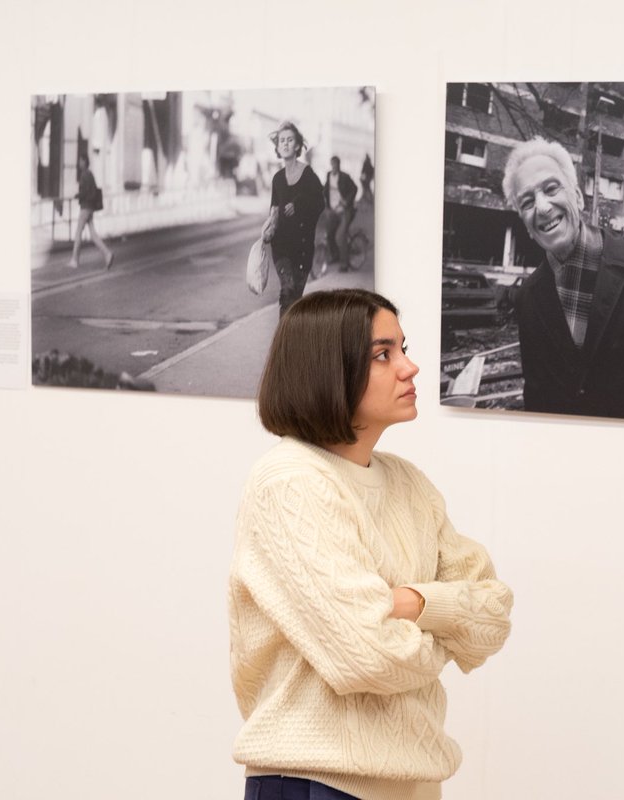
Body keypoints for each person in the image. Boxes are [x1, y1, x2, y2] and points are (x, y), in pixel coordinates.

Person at [229, 289, 513, 800]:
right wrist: (446, 629)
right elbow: (366, 655)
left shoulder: (409, 484)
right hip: (317, 782)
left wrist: (415, 603)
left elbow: (493, 614)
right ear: (326, 369)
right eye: (383, 355)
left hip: (415, 781)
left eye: (403, 348)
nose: (410, 368)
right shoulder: (290, 482)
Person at [502, 137, 624, 421]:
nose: (542, 207)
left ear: (578, 197)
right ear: (526, 225)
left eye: (551, 188)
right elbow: (536, 400)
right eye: (527, 202)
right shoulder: (528, 298)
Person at [265, 121, 325, 316]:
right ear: (277, 146)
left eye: (289, 140)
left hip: (302, 247)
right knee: (287, 290)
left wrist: (299, 207)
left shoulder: (308, 174)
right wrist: (269, 229)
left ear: (297, 145)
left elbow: (320, 203)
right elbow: (274, 209)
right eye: (281, 141)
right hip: (281, 246)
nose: (285, 144)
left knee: (295, 302)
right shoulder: (277, 178)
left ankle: (291, 342)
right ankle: (282, 344)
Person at [67, 153, 114, 270]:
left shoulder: (84, 175)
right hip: (91, 208)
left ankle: (74, 260)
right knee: (93, 234)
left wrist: (77, 195)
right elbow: (93, 191)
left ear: (84, 162)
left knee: (78, 233)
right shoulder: (91, 174)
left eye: (80, 161)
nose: (78, 163)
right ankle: (107, 254)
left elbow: (84, 192)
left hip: (85, 208)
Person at [322, 156, 358, 269]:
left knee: (340, 236)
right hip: (333, 210)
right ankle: (335, 256)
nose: (334, 167)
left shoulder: (345, 177)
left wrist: (347, 201)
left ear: (339, 165)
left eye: (336, 165)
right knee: (329, 234)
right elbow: (325, 190)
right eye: (332, 164)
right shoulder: (328, 175)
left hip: (345, 211)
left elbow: (355, 188)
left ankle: (344, 263)